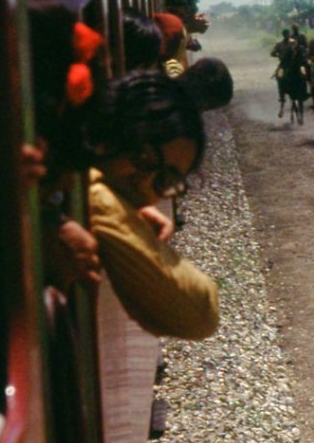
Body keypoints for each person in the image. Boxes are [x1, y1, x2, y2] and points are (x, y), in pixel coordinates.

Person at [88, 71, 219, 340]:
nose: (146, 185)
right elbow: (201, 311)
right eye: (143, 156)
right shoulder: (96, 199)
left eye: (165, 179)